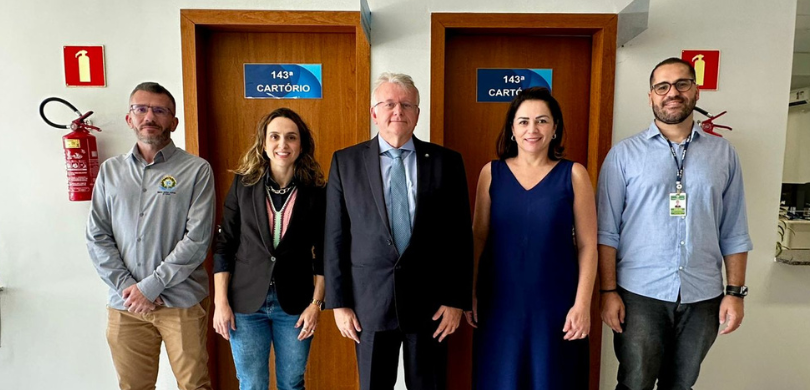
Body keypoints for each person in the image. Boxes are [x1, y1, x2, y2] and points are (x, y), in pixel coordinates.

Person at [597, 57, 753, 390]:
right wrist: (608, 292)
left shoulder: (724, 155)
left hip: (703, 295)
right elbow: (606, 232)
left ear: (696, 91)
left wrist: (735, 293)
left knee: (681, 384)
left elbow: (735, 232)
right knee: (635, 382)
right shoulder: (623, 156)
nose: (673, 93)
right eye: (662, 86)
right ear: (651, 96)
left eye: (682, 84)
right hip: (640, 293)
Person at [324, 72, 473, 390]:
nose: (398, 112)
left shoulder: (447, 162)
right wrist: (339, 303)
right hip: (368, 304)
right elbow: (335, 237)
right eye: (389, 103)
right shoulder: (346, 162)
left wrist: (456, 300)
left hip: (432, 305)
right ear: (374, 112)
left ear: (417, 114)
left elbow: (460, 237)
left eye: (406, 104)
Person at [464, 87, 597, 390]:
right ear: (512, 129)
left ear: (555, 128)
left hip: (556, 306)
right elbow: (478, 237)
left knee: (553, 380)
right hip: (499, 304)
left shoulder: (574, 174)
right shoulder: (491, 173)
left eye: (541, 121)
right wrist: (469, 291)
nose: (532, 129)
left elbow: (589, 245)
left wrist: (582, 305)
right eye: (523, 121)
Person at [86, 81, 215, 390]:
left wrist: (151, 286)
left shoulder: (196, 170)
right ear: (129, 118)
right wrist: (130, 288)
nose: (149, 117)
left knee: (194, 385)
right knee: (133, 387)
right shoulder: (110, 172)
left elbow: (196, 239)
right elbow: (97, 236)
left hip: (181, 301)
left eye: (159, 111)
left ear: (173, 121)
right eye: (141, 109)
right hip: (125, 304)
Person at [211, 108, 326, 390]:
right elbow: (225, 245)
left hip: (295, 305)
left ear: (301, 145)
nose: (282, 145)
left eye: (291, 137)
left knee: (292, 382)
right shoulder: (243, 184)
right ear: (263, 143)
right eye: (274, 136)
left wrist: (316, 304)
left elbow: (326, 254)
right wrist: (221, 302)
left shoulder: (316, 192)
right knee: (251, 383)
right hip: (246, 305)